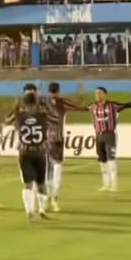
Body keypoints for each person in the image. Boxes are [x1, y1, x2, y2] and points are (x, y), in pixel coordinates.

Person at [76, 87, 131, 192]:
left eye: (100, 93)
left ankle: (114, 185)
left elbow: (126, 105)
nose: (97, 95)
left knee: (111, 160)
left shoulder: (113, 106)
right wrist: (79, 96)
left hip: (109, 135)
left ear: (104, 94)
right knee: (102, 161)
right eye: (96, 93)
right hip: (98, 136)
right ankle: (106, 185)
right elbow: (80, 108)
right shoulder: (92, 106)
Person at [6, 88, 59, 222]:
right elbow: (56, 118)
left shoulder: (19, 116)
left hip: (25, 153)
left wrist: (15, 107)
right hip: (40, 152)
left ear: (24, 103)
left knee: (28, 184)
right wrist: (47, 105)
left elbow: (6, 121)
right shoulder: (43, 115)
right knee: (41, 183)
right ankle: (41, 209)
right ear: (36, 102)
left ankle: (30, 210)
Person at [45, 82, 85, 212]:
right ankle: (54, 198)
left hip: (43, 140)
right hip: (57, 139)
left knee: (47, 170)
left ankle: (44, 198)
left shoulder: (42, 102)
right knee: (57, 167)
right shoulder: (62, 101)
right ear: (58, 91)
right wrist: (81, 93)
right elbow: (79, 106)